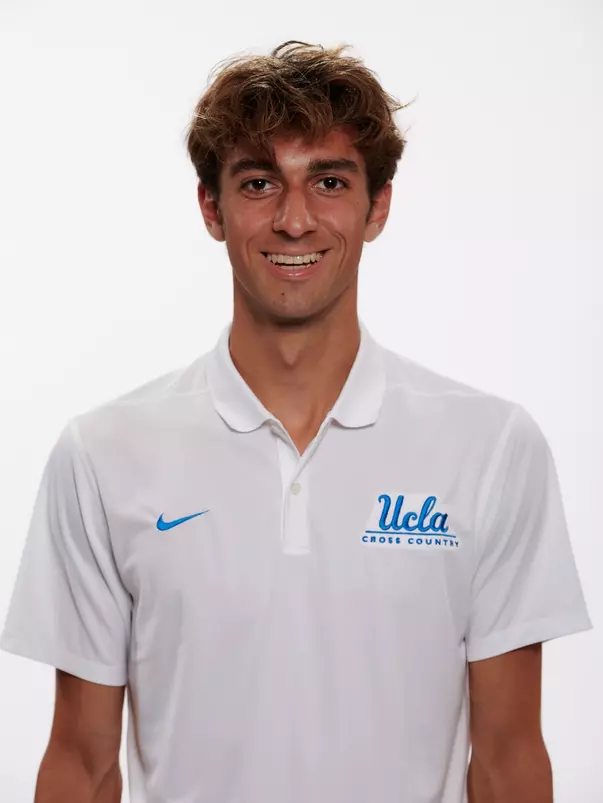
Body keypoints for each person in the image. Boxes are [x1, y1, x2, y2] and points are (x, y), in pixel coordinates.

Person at [0, 40, 593, 803]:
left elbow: (509, 760)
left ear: (376, 206)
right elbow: (81, 764)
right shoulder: (104, 454)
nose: (293, 219)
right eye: (258, 182)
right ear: (212, 208)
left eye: (329, 180)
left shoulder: (489, 449)